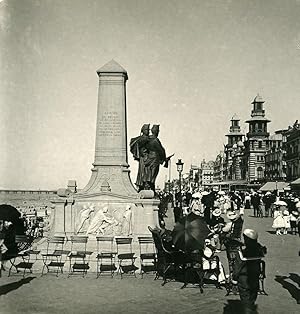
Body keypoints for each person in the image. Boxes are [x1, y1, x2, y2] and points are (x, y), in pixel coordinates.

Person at [232, 229, 266, 314]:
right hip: (255, 276)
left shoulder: (241, 251)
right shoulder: (259, 249)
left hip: (244, 277)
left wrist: (234, 278)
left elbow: (238, 266)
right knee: (252, 295)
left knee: (245, 298)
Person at [144, 125, 167, 192]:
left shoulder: (147, 139)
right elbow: (161, 150)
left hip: (148, 158)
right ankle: (152, 189)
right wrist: (164, 159)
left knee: (149, 173)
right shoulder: (155, 140)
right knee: (153, 175)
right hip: (155, 159)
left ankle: (149, 187)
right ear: (156, 132)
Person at [129, 124, 150, 191]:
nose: (148, 131)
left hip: (148, 158)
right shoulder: (142, 139)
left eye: (148, 130)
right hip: (144, 158)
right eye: (146, 130)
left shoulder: (148, 138)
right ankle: (143, 185)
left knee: (147, 172)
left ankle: (144, 185)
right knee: (144, 172)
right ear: (142, 131)